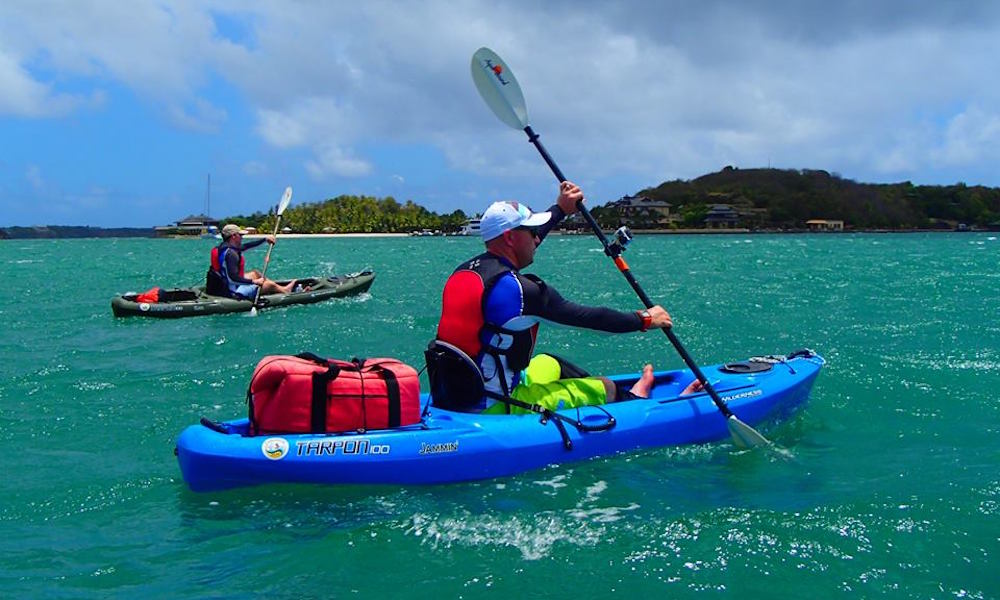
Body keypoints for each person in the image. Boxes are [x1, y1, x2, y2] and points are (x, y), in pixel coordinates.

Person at [435, 181, 698, 414]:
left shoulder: (465, 273)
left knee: (551, 363)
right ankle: (634, 400)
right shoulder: (521, 291)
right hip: (496, 405)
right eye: (531, 232)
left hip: (456, 394)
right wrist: (644, 319)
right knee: (605, 387)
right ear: (510, 238)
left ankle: (587, 395)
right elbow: (588, 318)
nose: (537, 239)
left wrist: (561, 208)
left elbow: (527, 240)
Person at [208, 224, 296, 298]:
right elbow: (232, 279)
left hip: (228, 284)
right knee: (269, 285)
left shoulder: (225, 247)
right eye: (240, 235)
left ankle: (277, 287)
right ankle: (284, 290)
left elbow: (246, 246)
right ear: (234, 236)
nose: (242, 238)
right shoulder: (231, 254)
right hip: (234, 291)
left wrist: (265, 240)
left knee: (255, 273)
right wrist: (254, 282)